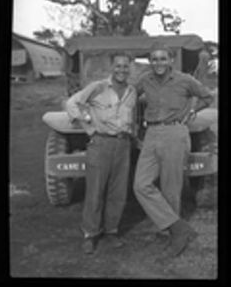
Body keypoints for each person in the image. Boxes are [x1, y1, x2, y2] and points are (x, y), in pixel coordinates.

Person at [133, 41, 213, 258]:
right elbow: (128, 95)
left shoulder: (184, 80)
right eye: (154, 59)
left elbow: (208, 96)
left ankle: (173, 236)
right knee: (141, 184)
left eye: (163, 58)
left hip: (175, 133)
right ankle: (178, 227)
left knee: (171, 187)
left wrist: (193, 111)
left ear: (170, 60)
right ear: (150, 62)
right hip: (151, 134)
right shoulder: (145, 80)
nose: (158, 63)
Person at [66, 52, 136, 254]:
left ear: (129, 68)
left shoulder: (132, 91)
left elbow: (133, 117)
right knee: (95, 191)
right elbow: (72, 103)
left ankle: (111, 232)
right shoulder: (98, 87)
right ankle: (91, 234)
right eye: (118, 66)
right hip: (100, 143)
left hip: (123, 145)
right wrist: (88, 127)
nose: (122, 69)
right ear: (111, 68)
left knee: (118, 191)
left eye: (125, 66)